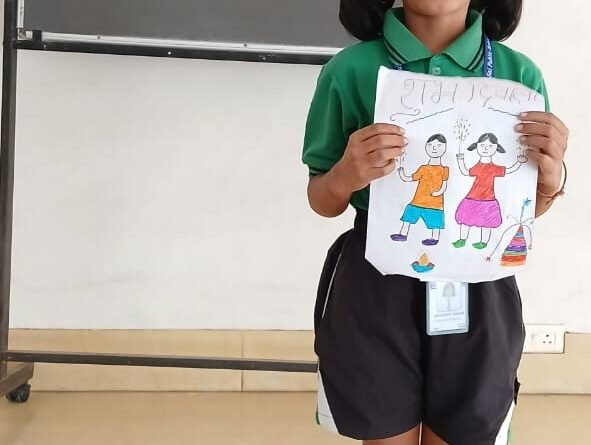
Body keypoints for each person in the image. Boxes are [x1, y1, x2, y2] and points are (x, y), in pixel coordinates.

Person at [302, 1, 569, 445]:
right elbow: (322, 199)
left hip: (481, 283)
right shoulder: (349, 70)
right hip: (376, 282)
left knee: (466, 430)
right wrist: (345, 175)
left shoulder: (518, 75)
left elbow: (522, 212)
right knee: (384, 429)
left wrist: (551, 179)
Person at [453, 133, 528, 249]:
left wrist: (519, 162)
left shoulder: (494, 168)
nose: (486, 148)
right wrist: (460, 160)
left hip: (488, 199)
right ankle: (462, 239)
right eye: (482, 145)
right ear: (476, 146)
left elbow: (509, 170)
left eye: (490, 146)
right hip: (472, 197)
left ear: (496, 148)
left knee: (486, 223)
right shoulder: (478, 166)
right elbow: (465, 171)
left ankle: (483, 242)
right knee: (465, 219)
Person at [391, 134, 449, 246]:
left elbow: (444, 185)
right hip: (418, 201)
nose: (434, 148)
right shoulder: (423, 168)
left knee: (435, 221)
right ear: (426, 147)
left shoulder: (444, 169)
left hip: (434, 204)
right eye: (430, 145)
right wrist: (401, 170)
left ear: (444, 148)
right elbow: (409, 178)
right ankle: (403, 234)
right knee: (408, 216)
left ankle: (435, 238)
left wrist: (438, 192)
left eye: (438, 146)